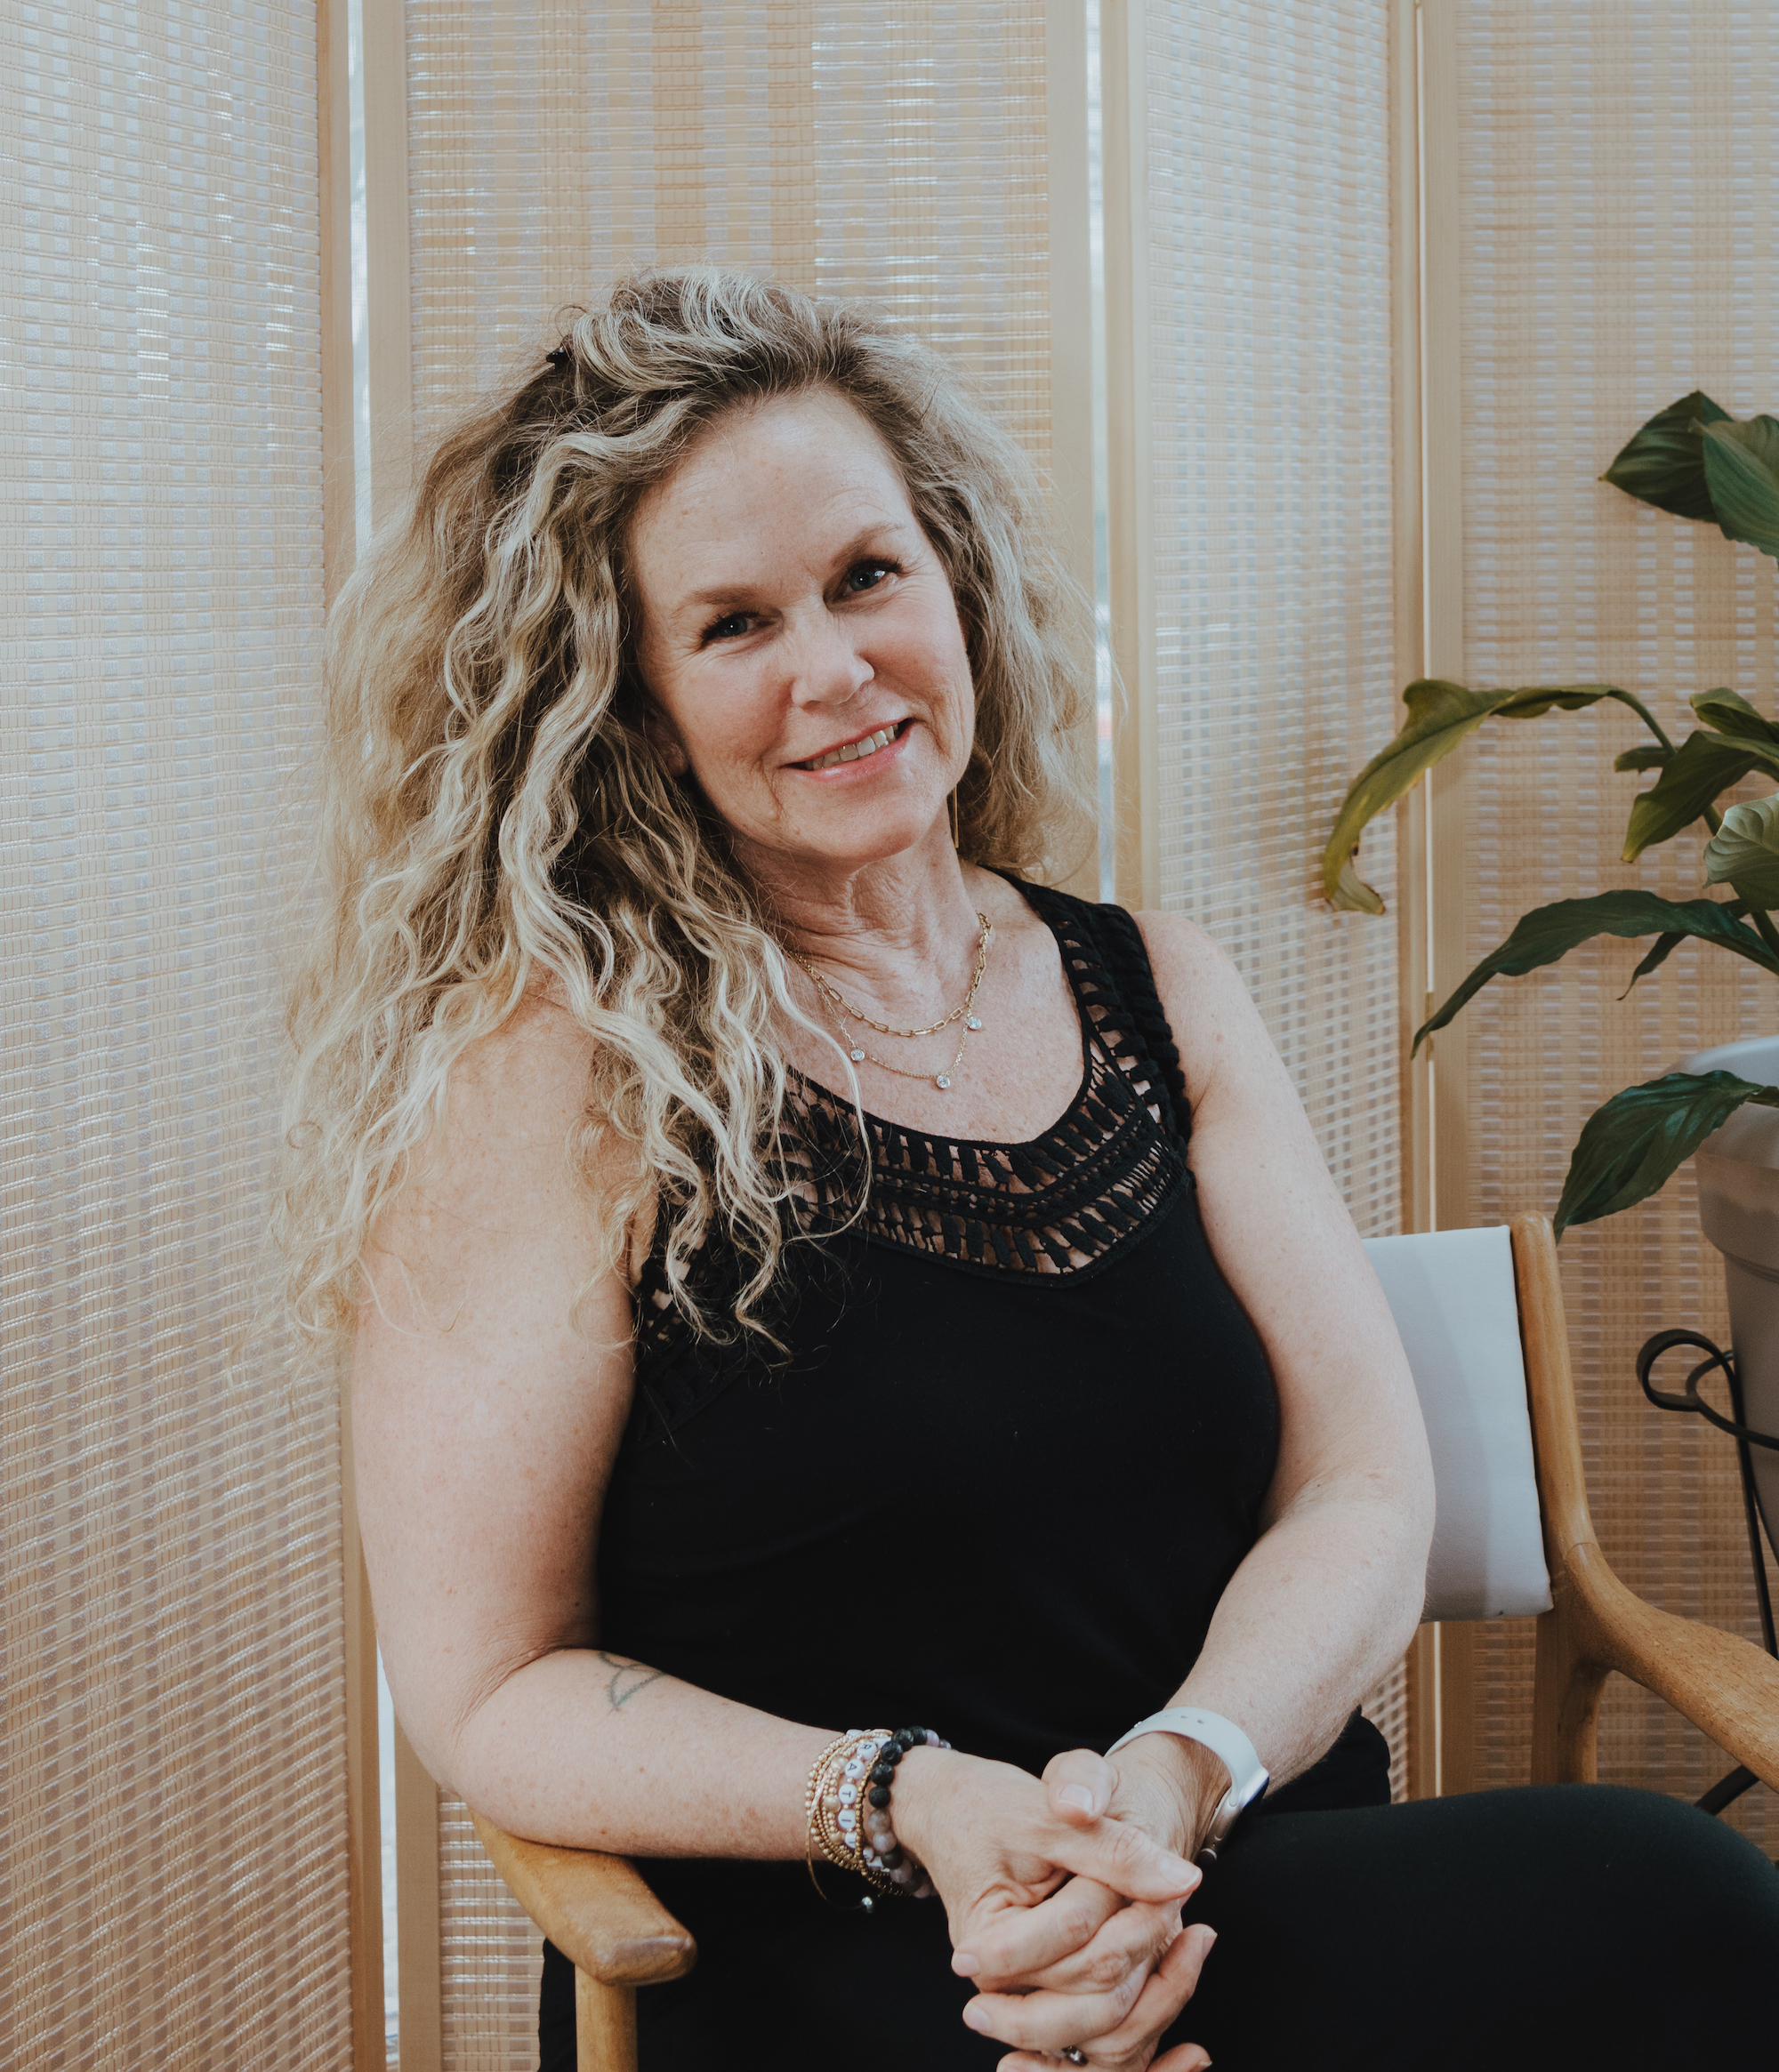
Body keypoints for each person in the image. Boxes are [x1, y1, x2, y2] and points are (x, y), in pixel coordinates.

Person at [284, 268, 1779, 2072]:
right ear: (635, 703)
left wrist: (1173, 1780)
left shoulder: (1159, 988)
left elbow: (1360, 1486)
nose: (835, 667)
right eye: (735, 624)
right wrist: (915, 1800)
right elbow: (490, 1685)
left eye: (868, 575)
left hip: (1218, 1865)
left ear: (958, 583)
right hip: (828, 1938)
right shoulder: (557, 1079)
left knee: (1682, 1904)